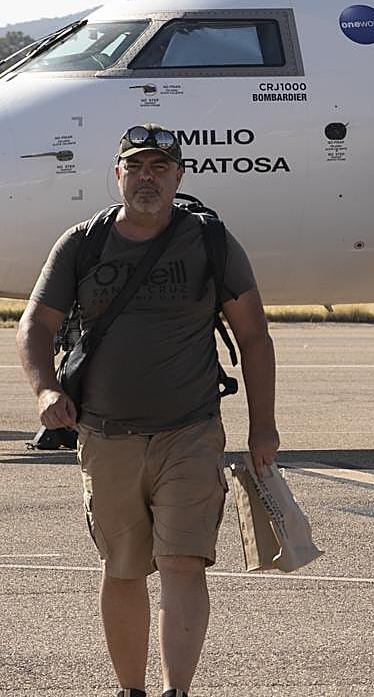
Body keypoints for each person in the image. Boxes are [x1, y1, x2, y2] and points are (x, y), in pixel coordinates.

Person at [15, 124, 279, 697]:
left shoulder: (210, 241)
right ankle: (130, 690)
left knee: (184, 561)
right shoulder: (82, 243)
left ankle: (175, 691)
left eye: (160, 167)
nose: (147, 178)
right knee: (124, 568)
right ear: (117, 174)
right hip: (106, 436)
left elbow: (254, 336)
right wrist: (45, 390)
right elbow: (36, 324)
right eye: (136, 167)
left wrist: (264, 427)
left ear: (180, 176)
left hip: (191, 432)